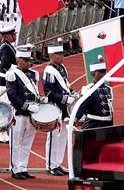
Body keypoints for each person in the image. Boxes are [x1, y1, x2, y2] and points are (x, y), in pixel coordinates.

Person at [7, 45, 41, 180]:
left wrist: (40, 99)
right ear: (18, 60)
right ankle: (15, 168)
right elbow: (12, 95)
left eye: (29, 60)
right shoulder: (12, 74)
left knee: (27, 143)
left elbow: (35, 91)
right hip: (19, 113)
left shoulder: (33, 74)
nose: (28, 62)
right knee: (16, 143)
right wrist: (26, 106)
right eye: (25, 60)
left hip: (31, 114)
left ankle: (23, 167)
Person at [42, 39, 74, 176]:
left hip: (64, 108)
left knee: (62, 138)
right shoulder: (49, 71)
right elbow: (49, 93)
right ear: (51, 55)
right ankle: (50, 165)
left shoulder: (62, 67)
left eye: (62, 53)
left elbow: (66, 85)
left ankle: (58, 163)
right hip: (55, 108)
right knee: (53, 137)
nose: (62, 56)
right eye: (59, 54)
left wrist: (72, 93)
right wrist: (65, 98)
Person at [74, 58, 113, 129]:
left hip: (108, 124)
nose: (104, 74)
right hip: (93, 124)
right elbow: (82, 107)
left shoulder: (108, 89)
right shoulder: (89, 90)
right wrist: (74, 119)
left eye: (104, 72)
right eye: (101, 72)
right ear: (93, 73)